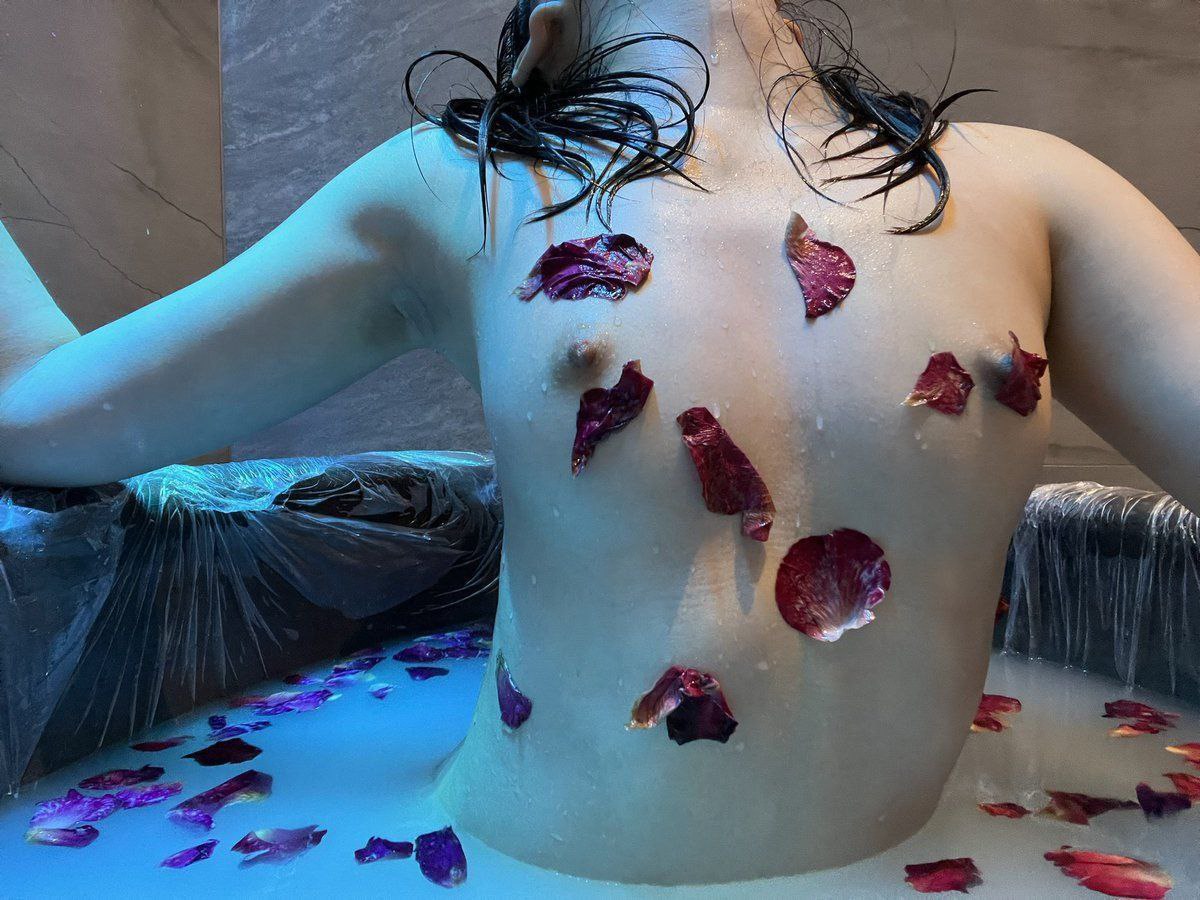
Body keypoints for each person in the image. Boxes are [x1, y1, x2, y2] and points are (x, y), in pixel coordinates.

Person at [1, 0, 1197, 885]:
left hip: (524, 868)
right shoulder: (1041, 191)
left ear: (543, 38)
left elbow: (38, 414)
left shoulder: (470, 185)